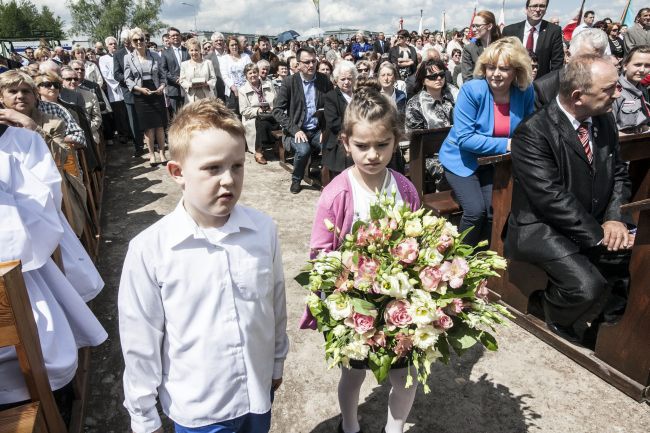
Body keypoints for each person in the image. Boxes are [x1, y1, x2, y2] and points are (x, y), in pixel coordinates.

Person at [119, 98, 289, 433]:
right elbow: (141, 338)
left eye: (237, 166)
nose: (228, 180)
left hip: (256, 394)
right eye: (213, 168)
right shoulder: (150, 250)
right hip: (200, 409)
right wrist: (142, 413)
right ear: (177, 172)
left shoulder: (263, 230)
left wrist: (276, 359)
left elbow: (274, 301)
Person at [309, 86, 421, 433]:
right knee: (353, 373)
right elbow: (319, 253)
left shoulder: (404, 188)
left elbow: (419, 237)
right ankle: (351, 425)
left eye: (382, 145)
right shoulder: (337, 194)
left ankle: (394, 429)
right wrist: (343, 284)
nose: (372, 154)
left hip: (398, 302)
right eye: (362, 146)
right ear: (345, 143)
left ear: (395, 141)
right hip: (353, 306)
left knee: (405, 376)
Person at [504, 55, 632, 346]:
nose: (618, 93)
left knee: (635, 259)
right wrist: (599, 236)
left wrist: (614, 218)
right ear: (578, 96)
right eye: (609, 88)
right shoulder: (533, 132)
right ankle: (555, 314)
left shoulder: (603, 118)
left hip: (592, 218)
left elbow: (619, 173)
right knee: (587, 286)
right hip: (541, 227)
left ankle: (613, 329)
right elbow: (550, 197)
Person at [440, 37, 535, 247]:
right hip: (462, 161)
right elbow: (465, 139)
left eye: (504, 68)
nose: (496, 74)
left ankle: (484, 257)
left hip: (493, 163)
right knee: (476, 211)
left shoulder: (525, 91)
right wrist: (508, 144)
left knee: (496, 210)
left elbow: (530, 128)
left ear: (516, 71)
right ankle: (459, 258)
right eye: (491, 67)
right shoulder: (472, 90)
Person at [272, 47, 333, 194]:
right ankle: (296, 179)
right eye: (306, 62)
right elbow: (277, 111)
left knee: (332, 145)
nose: (311, 65)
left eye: (314, 61)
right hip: (296, 130)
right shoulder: (289, 82)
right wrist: (295, 130)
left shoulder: (323, 80)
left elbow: (332, 106)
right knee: (303, 150)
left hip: (317, 129)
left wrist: (325, 130)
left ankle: (329, 181)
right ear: (298, 65)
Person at [124, 27, 168, 166]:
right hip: (141, 95)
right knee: (148, 127)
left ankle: (162, 153)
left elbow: (163, 75)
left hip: (156, 93)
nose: (139, 42)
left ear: (145, 40)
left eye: (141, 39)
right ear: (131, 42)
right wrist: (139, 89)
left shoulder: (155, 55)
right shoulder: (128, 58)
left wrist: (162, 86)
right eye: (135, 40)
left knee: (160, 126)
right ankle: (151, 154)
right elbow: (128, 79)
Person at [534, 28, 609, 108]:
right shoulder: (543, 88)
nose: (592, 65)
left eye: (598, 60)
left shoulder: (607, 85)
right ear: (568, 55)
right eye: (585, 59)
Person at [501, 0, 564, 79]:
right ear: (526, 9)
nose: (538, 9)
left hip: (541, 85)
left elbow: (557, 64)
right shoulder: (509, 31)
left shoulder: (554, 31)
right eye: (534, 6)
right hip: (513, 83)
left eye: (542, 6)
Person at [322, 60, 357, 178]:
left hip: (359, 139)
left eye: (349, 78)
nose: (346, 82)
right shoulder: (330, 97)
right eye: (343, 79)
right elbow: (334, 123)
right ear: (336, 80)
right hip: (338, 142)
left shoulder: (359, 96)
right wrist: (357, 127)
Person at [238, 63, 278, 163]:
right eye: (250, 73)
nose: (253, 75)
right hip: (254, 117)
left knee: (281, 118)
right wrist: (258, 110)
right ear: (246, 76)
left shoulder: (268, 84)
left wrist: (273, 107)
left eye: (255, 72)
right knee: (262, 122)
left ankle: (280, 147)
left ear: (258, 73)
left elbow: (277, 100)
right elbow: (243, 110)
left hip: (270, 113)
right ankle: (259, 151)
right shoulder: (242, 90)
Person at [114, 28, 145, 156]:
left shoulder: (142, 51)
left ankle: (150, 142)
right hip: (129, 92)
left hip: (144, 91)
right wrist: (129, 81)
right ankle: (138, 146)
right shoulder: (118, 54)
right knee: (133, 121)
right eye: (125, 40)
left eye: (129, 40)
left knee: (144, 118)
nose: (127, 42)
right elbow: (116, 74)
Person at [612, 45, 650, 133]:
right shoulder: (615, 91)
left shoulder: (642, 89)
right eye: (637, 65)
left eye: (647, 65)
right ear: (625, 65)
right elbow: (608, 131)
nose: (642, 70)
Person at [100, 36, 130, 144]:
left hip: (126, 87)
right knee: (119, 113)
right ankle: (122, 134)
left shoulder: (123, 55)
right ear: (106, 46)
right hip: (115, 89)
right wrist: (119, 82)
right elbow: (106, 74)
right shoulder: (103, 59)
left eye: (115, 44)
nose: (113, 45)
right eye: (111, 44)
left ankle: (130, 133)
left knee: (127, 111)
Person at [461, 10, 501, 83]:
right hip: (479, 92)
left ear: (489, 26)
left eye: (478, 26)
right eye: (473, 26)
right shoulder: (469, 49)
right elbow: (467, 79)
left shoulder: (502, 47)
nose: (473, 29)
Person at [160, 27, 190, 114]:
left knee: (189, 114)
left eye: (177, 35)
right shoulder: (165, 53)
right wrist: (175, 79)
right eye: (172, 36)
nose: (175, 37)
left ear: (180, 37)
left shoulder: (187, 51)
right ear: (169, 38)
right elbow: (163, 69)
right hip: (174, 89)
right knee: (176, 116)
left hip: (188, 88)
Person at [220, 36, 252, 113]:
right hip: (232, 93)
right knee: (234, 116)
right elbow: (225, 76)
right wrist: (233, 88)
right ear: (228, 47)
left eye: (236, 44)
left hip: (246, 90)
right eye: (232, 45)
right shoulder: (224, 58)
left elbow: (251, 70)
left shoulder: (245, 57)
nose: (234, 47)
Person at [179, 38, 217, 103]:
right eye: (191, 50)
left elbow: (213, 78)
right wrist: (190, 85)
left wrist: (207, 84)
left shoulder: (208, 63)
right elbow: (182, 80)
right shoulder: (184, 65)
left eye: (196, 50)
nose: (194, 52)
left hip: (207, 97)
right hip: (191, 98)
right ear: (188, 51)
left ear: (200, 50)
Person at [204, 32, 227, 101]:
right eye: (216, 41)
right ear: (213, 43)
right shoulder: (208, 58)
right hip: (217, 90)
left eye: (220, 40)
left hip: (231, 89)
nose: (219, 42)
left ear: (224, 42)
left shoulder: (229, 54)